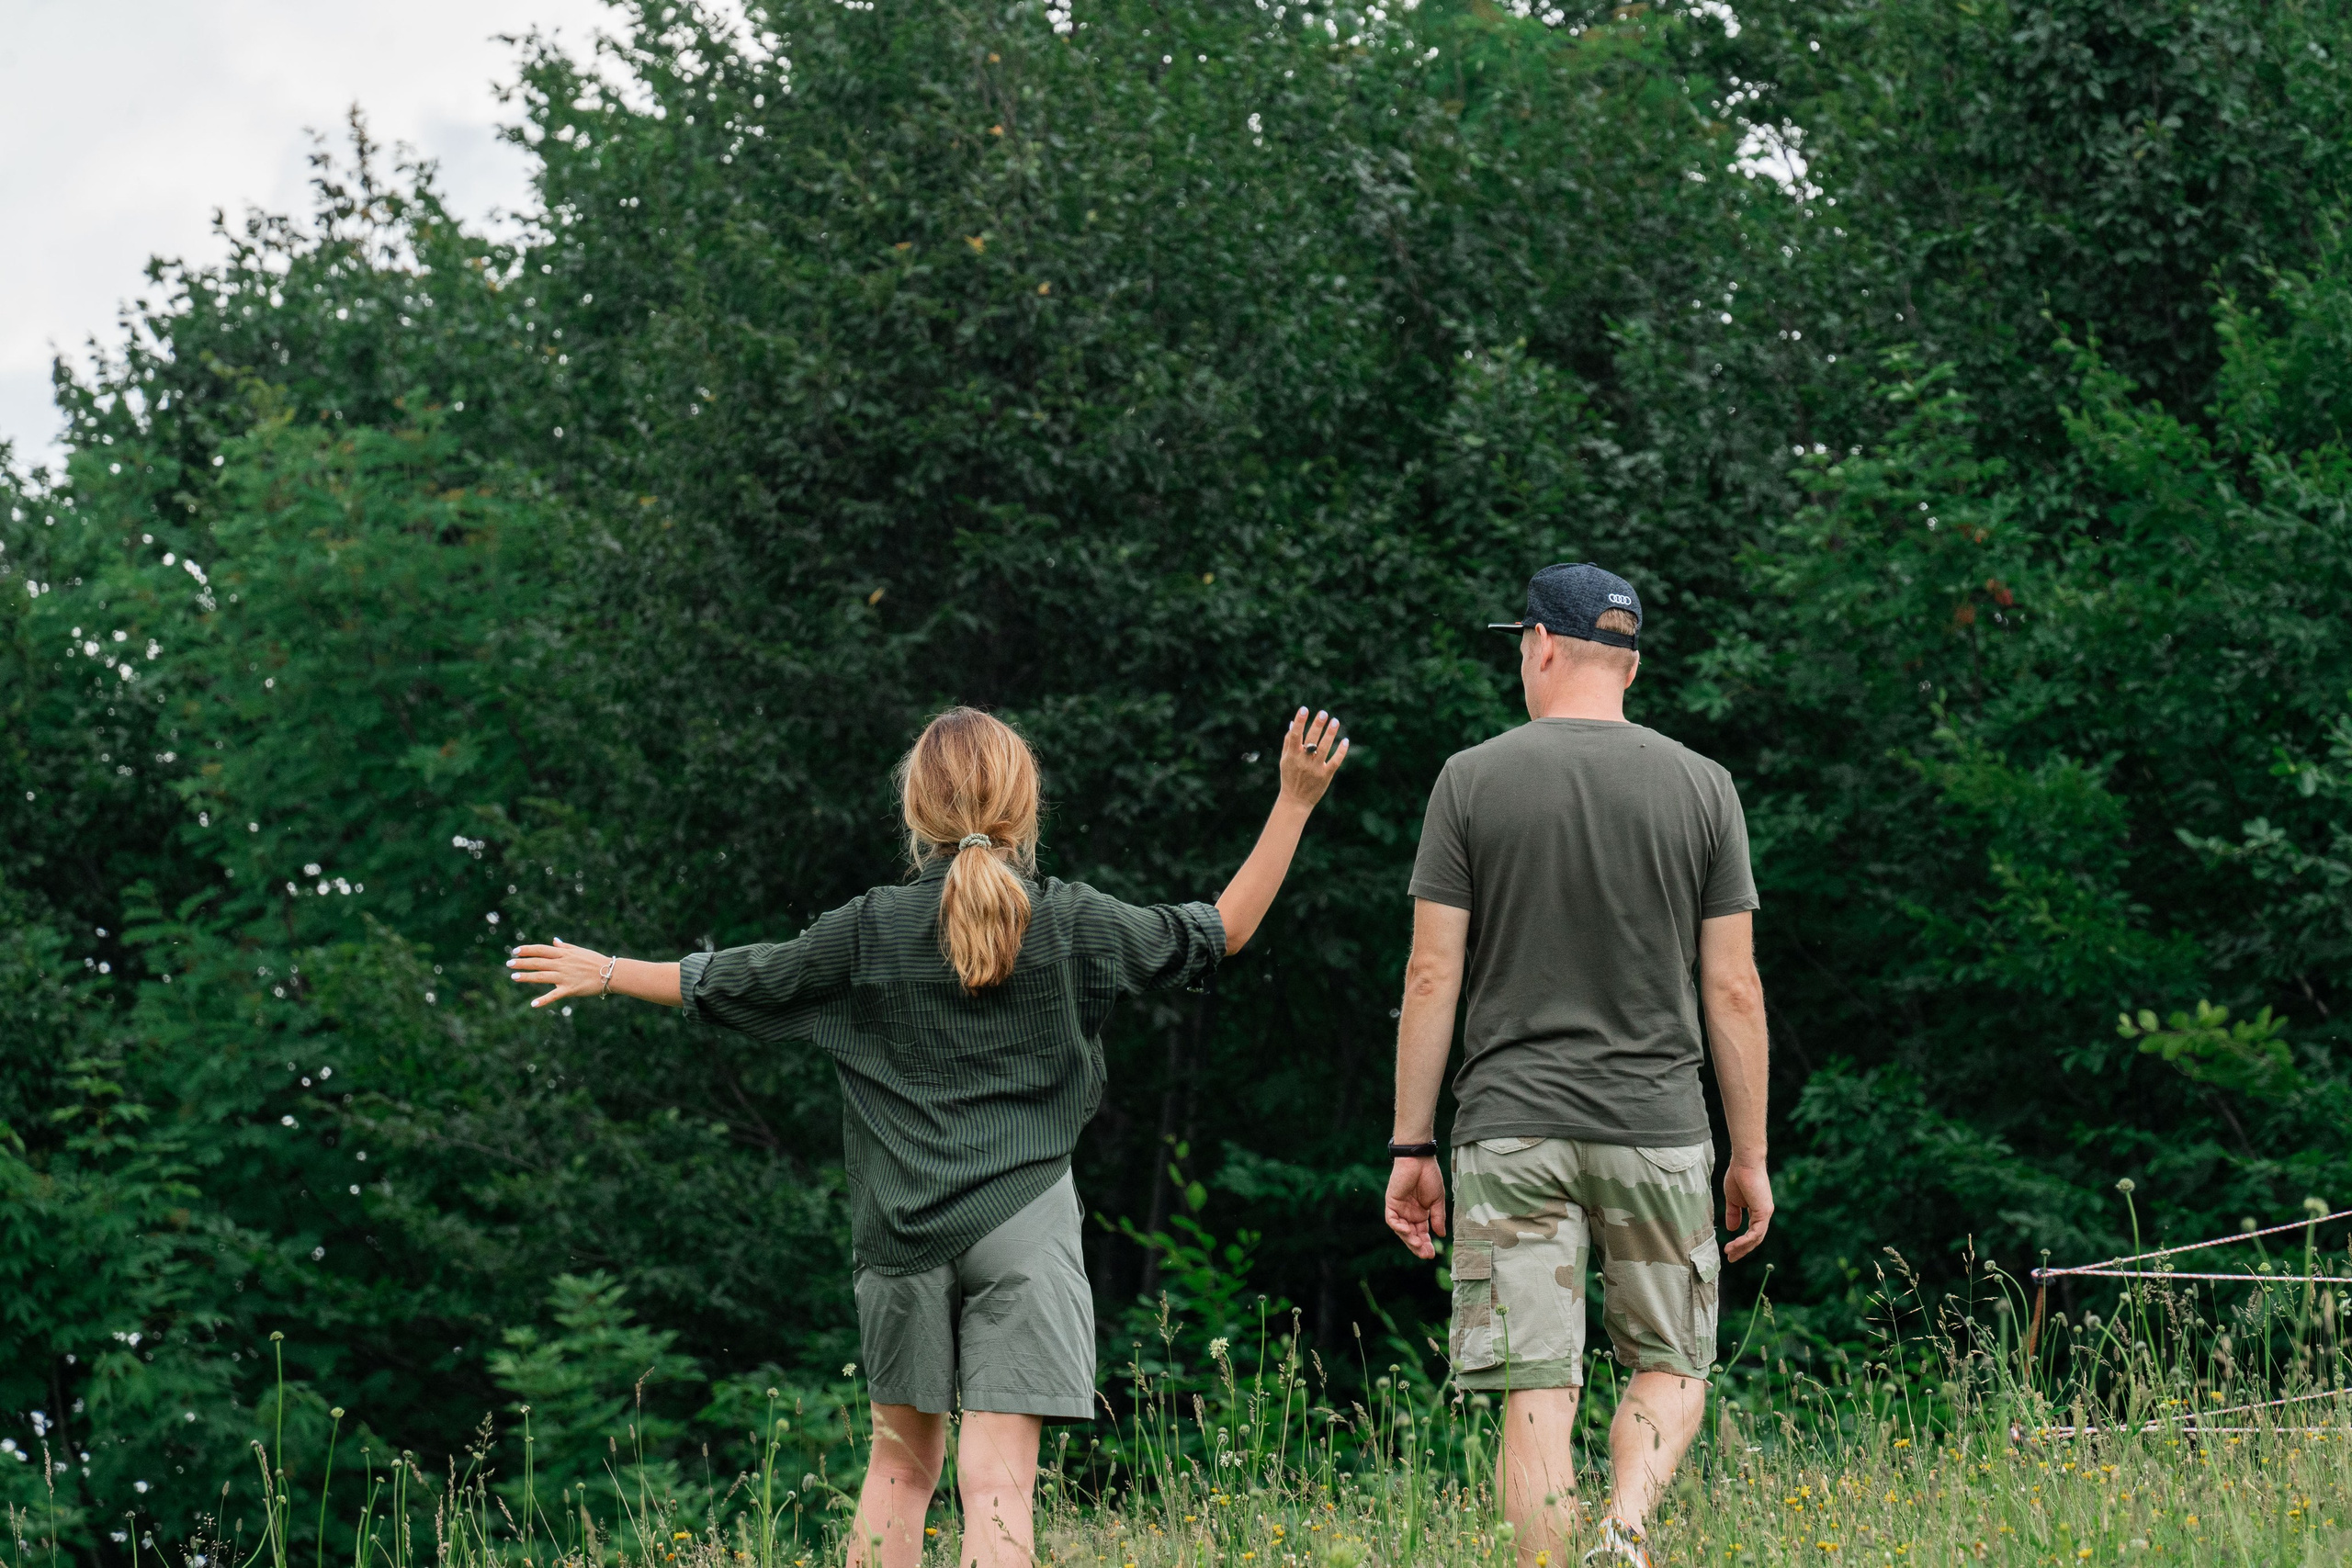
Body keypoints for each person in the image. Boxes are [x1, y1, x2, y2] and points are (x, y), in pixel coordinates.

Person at [507, 705, 1345, 1568]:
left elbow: (738, 980)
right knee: (998, 1488)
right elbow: (1223, 929)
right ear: (1026, 808)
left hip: (900, 1229)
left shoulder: (866, 927)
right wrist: (1293, 801)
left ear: (916, 814)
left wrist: (607, 972)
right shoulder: (1075, 920)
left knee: (900, 1475)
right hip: (1026, 1220)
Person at [1381, 564, 1772, 1568]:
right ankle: (1625, 1531)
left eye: (1519, 644)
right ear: (1629, 667)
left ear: (1543, 647)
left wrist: (1411, 1143)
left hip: (1508, 1128)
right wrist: (1750, 1155)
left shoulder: (1470, 779)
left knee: (1536, 1387)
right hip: (1658, 1128)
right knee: (1671, 1363)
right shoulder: (1703, 787)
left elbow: (1431, 973)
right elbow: (1732, 989)